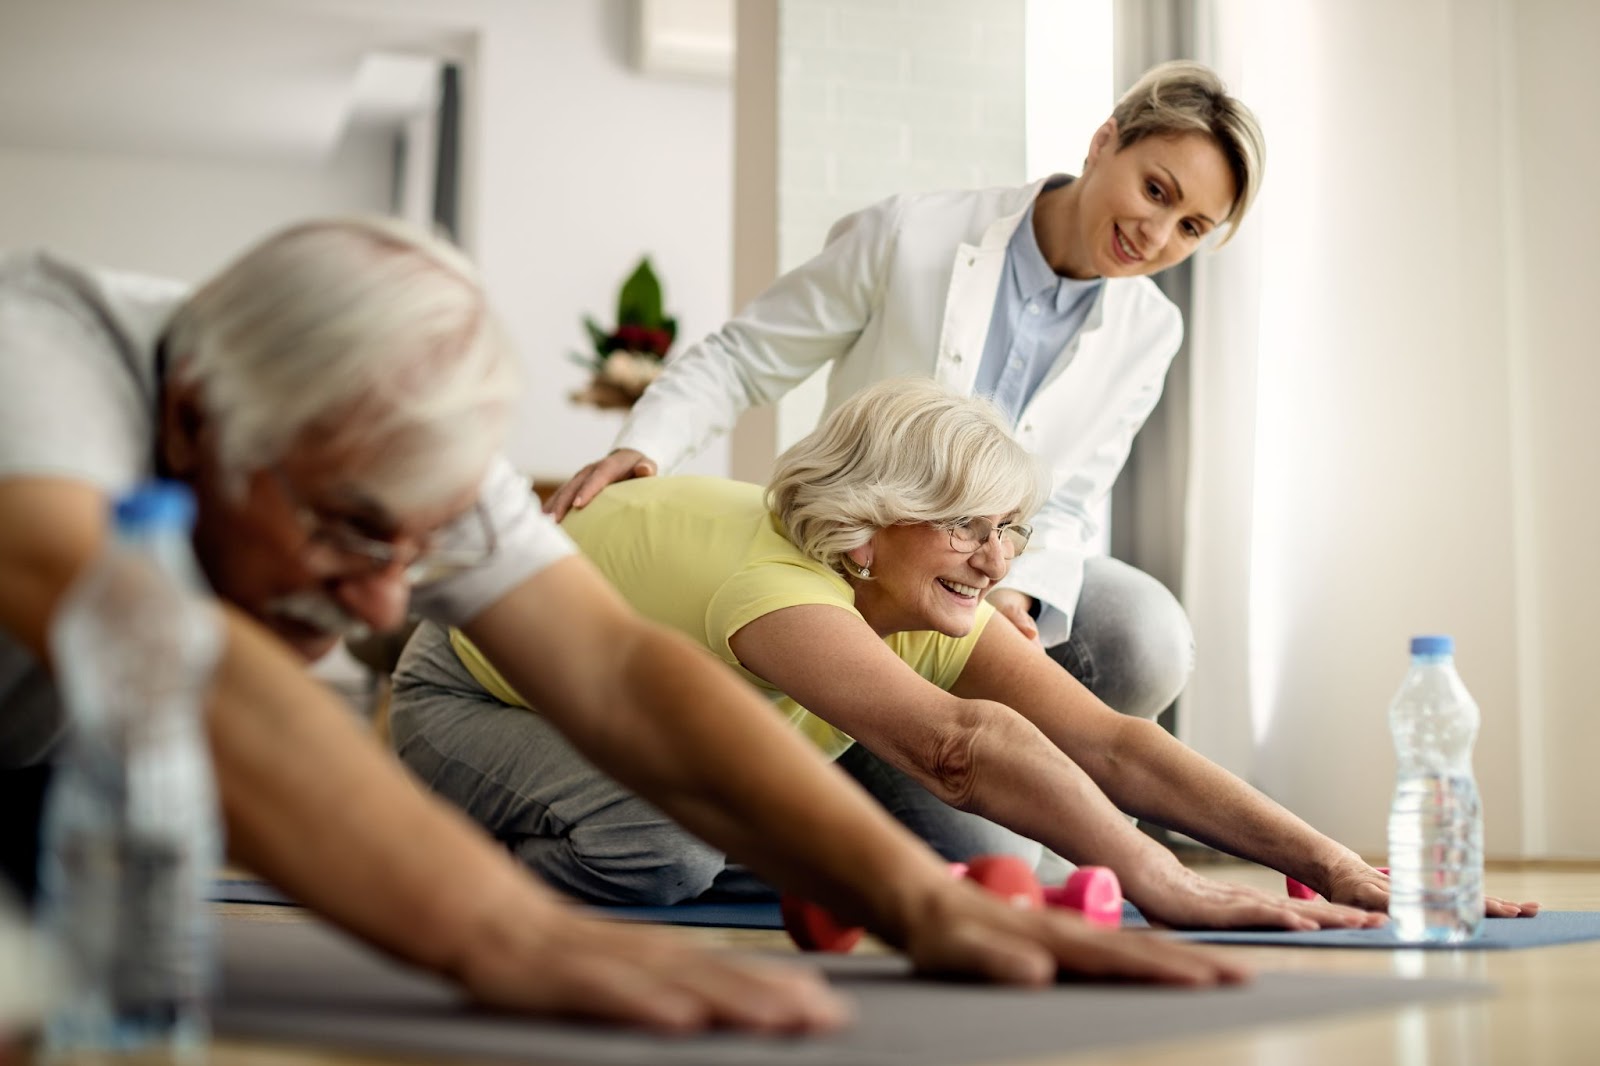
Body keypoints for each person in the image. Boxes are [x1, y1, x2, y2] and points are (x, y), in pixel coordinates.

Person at [0, 219, 1249, 1035]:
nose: (383, 603)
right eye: (349, 534)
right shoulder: (39, 365)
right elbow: (166, 661)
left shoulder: (410, 445)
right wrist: (501, 930)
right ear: (193, 424)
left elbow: (615, 669)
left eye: (412, 551)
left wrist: (911, 899)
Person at [401, 379, 1541, 924]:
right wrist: (1167, 883)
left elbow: (1113, 745)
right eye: (965, 526)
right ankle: (453, 847)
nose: (997, 562)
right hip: (471, 690)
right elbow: (954, 746)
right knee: (662, 848)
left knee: (1015, 853)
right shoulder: (781, 587)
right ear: (869, 519)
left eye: (1010, 528)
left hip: (670, 706)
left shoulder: (917, 588)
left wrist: (1339, 860)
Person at [545, 60, 1264, 852]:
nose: (1157, 236)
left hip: (989, 577)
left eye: (1192, 227)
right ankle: (844, 767)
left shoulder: (1150, 331)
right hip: (866, 575)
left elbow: (1068, 499)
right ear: (1103, 144)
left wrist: (1015, 592)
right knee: (990, 855)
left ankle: (1047, 800)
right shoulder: (909, 234)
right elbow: (743, 358)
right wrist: (642, 448)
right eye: (1156, 191)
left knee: (1143, 632)